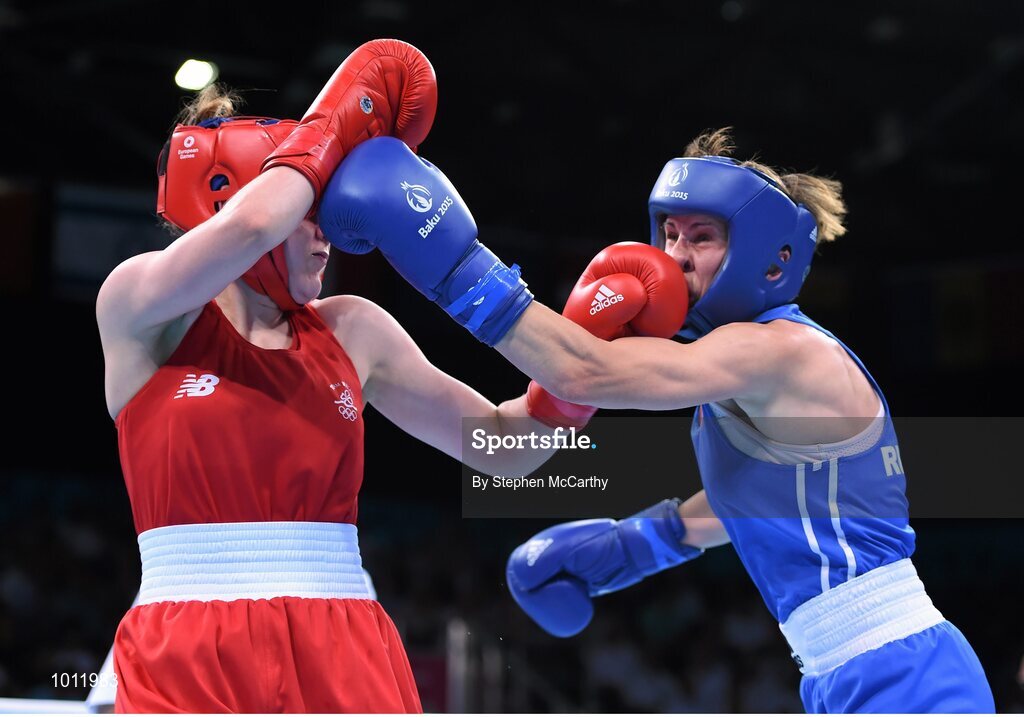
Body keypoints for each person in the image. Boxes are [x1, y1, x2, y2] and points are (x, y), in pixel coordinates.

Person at [315, 128, 997, 712]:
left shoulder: (782, 352)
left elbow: (585, 373)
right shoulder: (747, 368)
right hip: (842, 669)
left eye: (701, 238)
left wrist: (455, 264)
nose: (673, 257)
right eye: (669, 233)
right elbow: (760, 501)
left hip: (901, 670)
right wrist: (642, 542)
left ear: (773, 255)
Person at [96, 39, 664, 713]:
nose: (327, 232)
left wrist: (577, 373)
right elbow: (253, 225)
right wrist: (337, 119)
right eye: (310, 211)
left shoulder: (351, 330)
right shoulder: (140, 308)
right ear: (226, 201)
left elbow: (511, 451)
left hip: (341, 635)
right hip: (184, 640)